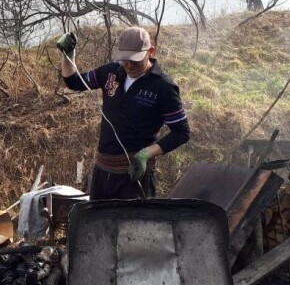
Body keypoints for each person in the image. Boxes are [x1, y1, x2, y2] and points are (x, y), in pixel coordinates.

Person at [56, 27, 190, 200]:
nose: (128, 64)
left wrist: (146, 153)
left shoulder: (163, 87)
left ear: (150, 52)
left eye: (135, 59)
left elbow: (182, 132)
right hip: (103, 172)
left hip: (135, 175)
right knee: (96, 223)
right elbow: (74, 82)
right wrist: (68, 55)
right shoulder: (111, 72)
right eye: (124, 59)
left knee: (132, 225)